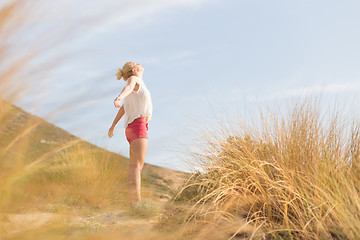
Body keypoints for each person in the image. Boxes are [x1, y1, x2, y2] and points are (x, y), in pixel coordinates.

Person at [108, 61, 153, 206]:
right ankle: (137, 202)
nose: (140, 64)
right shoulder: (134, 80)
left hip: (132, 126)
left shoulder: (137, 85)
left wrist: (113, 125)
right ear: (134, 70)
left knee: (134, 166)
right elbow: (128, 87)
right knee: (136, 167)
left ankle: (132, 201)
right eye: (137, 63)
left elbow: (123, 109)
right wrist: (120, 97)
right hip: (138, 124)